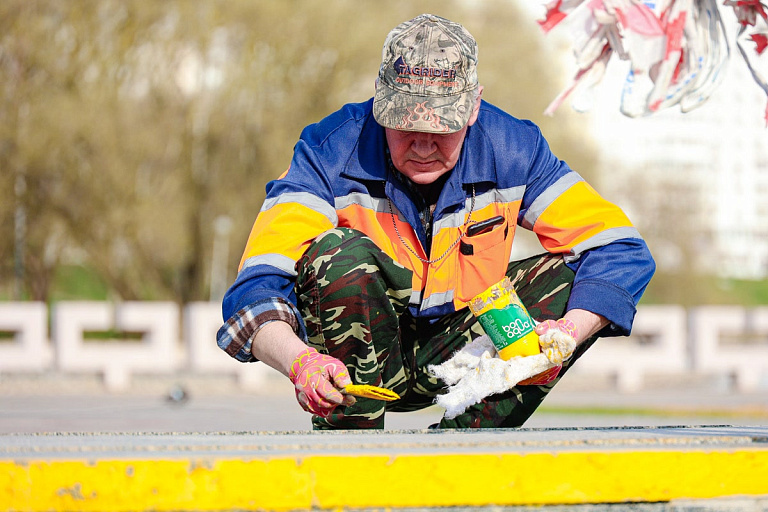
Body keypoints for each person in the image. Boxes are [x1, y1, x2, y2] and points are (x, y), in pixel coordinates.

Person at [217, 13, 655, 430]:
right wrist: (300, 362)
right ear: (379, 100)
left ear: (474, 107)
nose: (424, 145)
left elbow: (621, 249)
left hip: (465, 350)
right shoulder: (327, 151)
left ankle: (466, 443)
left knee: (570, 276)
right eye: (405, 125)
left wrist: (568, 332)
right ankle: (351, 443)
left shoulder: (514, 149)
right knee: (337, 255)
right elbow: (256, 287)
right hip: (363, 363)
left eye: (442, 128)